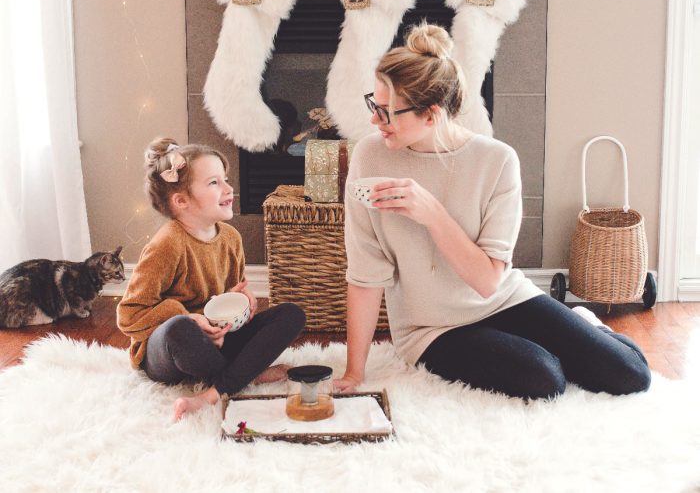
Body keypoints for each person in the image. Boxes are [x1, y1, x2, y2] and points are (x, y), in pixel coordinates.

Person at [334, 23, 651, 400]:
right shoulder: (370, 157)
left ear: (432, 114)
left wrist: (432, 213)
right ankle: (550, 343)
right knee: (545, 378)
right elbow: (365, 275)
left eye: (387, 112)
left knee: (630, 374)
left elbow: (487, 282)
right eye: (375, 104)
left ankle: (585, 327)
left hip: (502, 299)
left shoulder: (496, 161)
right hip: (431, 329)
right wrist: (354, 373)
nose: (374, 120)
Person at [118, 138, 305, 420]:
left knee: (292, 315)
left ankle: (220, 385)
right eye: (214, 183)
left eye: (226, 180)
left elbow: (229, 292)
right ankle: (243, 374)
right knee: (180, 328)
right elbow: (129, 316)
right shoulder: (166, 246)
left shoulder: (230, 238)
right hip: (171, 351)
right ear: (181, 201)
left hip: (217, 340)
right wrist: (190, 318)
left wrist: (242, 299)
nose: (229, 189)